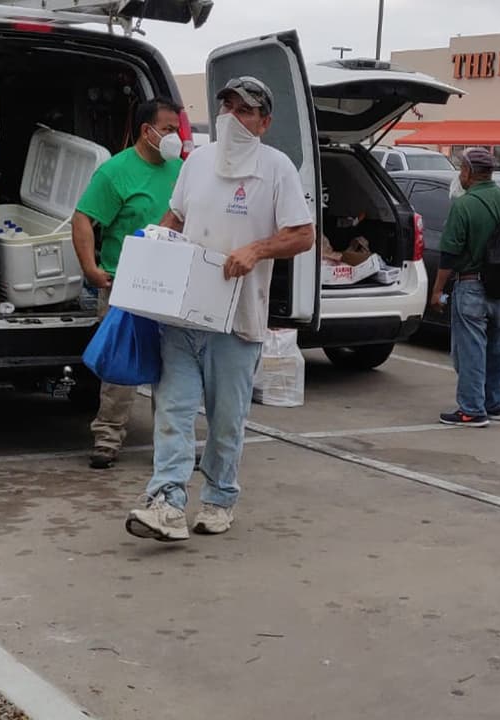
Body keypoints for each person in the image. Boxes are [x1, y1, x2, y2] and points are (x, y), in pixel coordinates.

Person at [125, 76, 314, 542]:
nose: (234, 117)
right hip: (183, 315)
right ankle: (166, 502)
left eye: (245, 110)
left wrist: (256, 250)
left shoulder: (277, 168)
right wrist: (157, 240)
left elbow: (303, 234)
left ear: (265, 122)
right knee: (173, 410)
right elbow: (177, 216)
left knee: (227, 418)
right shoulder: (198, 161)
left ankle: (220, 497)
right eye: (227, 107)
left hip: (238, 318)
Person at [73, 99, 184, 470]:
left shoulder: (181, 171)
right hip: (125, 285)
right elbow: (84, 219)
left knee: (171, 370)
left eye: (177, 129)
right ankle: (107, 438)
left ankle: (172, 445)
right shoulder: (115, 172)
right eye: (168, 129)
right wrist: (90, 268)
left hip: (170, 285)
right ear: (146, 131)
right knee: (120, 369)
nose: (175, 137)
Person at [430, 147, 500, 428]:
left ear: (469, 172)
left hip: (472, 286)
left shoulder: (464, 205)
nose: (460, 175)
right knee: (498, 348)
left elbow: (449, 253)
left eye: (462, 170)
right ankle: (495, 404)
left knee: (471, 350)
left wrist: (437, 290)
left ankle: (471, 409)